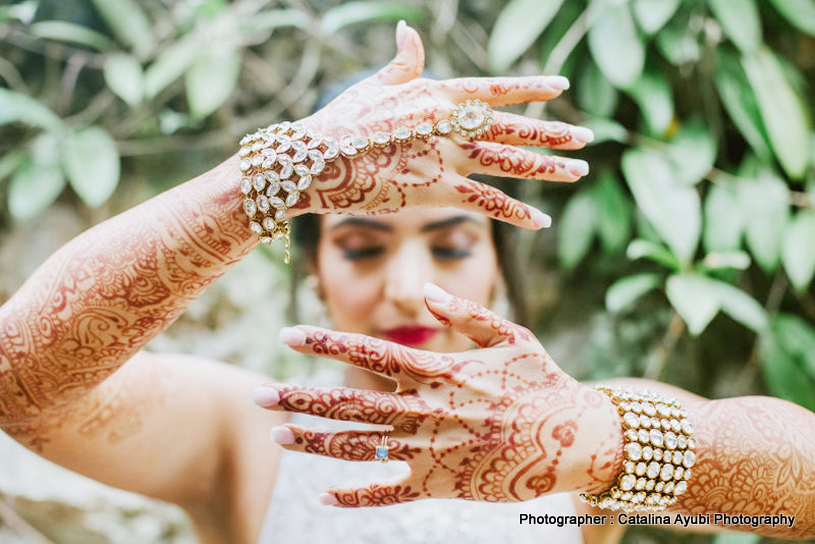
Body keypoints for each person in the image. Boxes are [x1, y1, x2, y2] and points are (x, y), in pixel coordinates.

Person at [0, 22, 812, 544]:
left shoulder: (584, 425)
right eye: (359, 247)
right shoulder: (243, 436)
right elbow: (20, 384)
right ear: (312, 268)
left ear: (500, 258)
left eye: (453, 244)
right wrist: (265, 181)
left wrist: (602, 443)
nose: (408, 290)